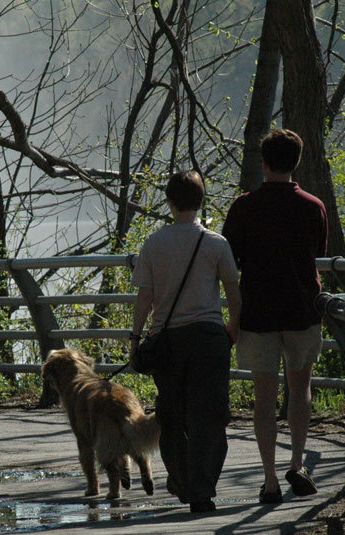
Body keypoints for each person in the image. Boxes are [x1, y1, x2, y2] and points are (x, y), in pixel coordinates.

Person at [222, 129, 328, 504]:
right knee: (300, 390)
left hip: (258, 313)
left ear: (263, 163)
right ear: (296, 162)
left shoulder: (243, 207)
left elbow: (229, 261)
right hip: (302, 311)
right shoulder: (313, 206)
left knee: (264, 399)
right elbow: (318, 251)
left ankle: (269, 480)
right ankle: (298, 464)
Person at [130, 170, 241, 514]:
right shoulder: (216, 244)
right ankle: (202, 489)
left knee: (172, 416)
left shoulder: (153, 244)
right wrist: (230, 333)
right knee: (209, 416)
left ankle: (180, 479)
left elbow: (145, 300)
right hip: (209, 338)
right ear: (201, 200)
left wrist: (135, 340)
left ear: (170, 201)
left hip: (168, 342)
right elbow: (235, 296)